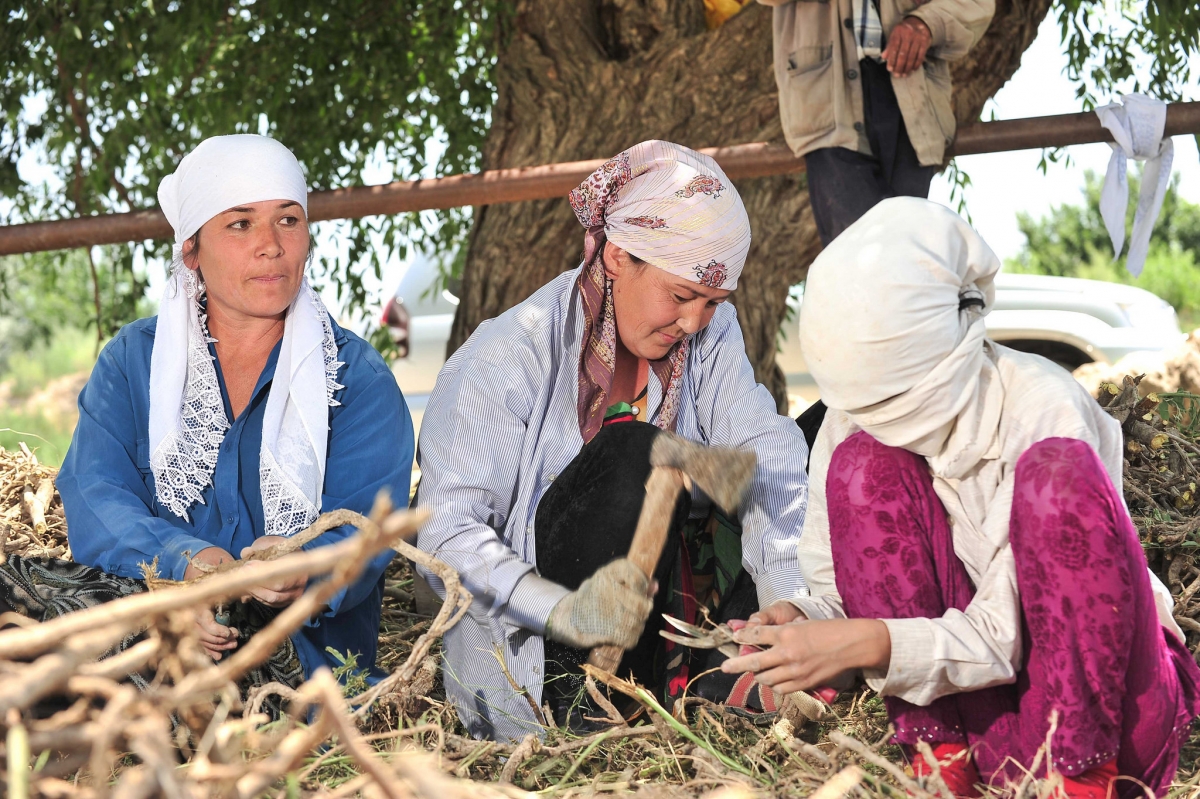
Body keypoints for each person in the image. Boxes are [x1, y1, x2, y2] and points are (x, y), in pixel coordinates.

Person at [722, 198, 1200, 798]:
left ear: (945, 350)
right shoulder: (854, 426)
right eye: (862, 403)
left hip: (1113, 725)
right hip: (983, 722)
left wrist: (866, 641)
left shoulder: (1043, 409)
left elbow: (1003, 634)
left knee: (1057, 477)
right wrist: (809, 622)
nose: (877, 419)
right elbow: (848, 599)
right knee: (863, 464)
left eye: (893, 398)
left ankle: (1082, 786)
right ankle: (940, 767)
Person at [416, 140, 811, 741]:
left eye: (714, 302)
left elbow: (759, 446)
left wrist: (790, 596)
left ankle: (725, 671)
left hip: (677, 606)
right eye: (681, 296)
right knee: (636, 452)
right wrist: (562, 610)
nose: (695, 322)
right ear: (619, 255)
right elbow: (447, 531)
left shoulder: (705, 333)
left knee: (827, 431)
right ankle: (582, 698)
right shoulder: (507, 356)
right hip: (561, 634)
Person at [1, 135, 414, 702]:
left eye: (288, 220)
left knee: (134, 669)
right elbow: (95, 492)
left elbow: (366, 535)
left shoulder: (356, 380)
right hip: (154, 606)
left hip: (290, 656)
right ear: (192, 249)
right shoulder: (134, 361)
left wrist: (300, 566)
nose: (271, 246)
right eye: (240, 224)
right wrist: (183, 568)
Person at [758, 0, 994, 245]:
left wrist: (926, 24)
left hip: (912, 101)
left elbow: (977, 4)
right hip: (827, 101)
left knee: (907, 250)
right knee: (855, 254)